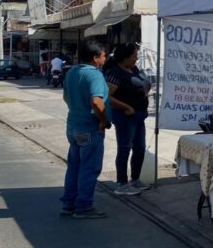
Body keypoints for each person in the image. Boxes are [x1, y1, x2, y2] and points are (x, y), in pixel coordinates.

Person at [60, 40, 110, 219]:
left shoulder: (72, 72)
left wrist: (77, 109)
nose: (105, 58)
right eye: (103, 55)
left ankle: (69, 204)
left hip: (73, 126)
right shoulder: (95, 75)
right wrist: (103, 120)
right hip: (89, 128)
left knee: (74, 167)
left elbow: (66, 97)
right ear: (96, 58)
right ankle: (84, 206)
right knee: (89, 168)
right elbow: (96, 101)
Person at [105, 43, 151, 196]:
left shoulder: (134, 69)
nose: (136, 59)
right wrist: (126, 107)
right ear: (125, 57)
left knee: (139, 148)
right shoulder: (115, 73)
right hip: (125, 117)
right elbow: (107, 96)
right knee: (124, 148)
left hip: (139, 116)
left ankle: (135, 179)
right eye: (134, 56)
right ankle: (122, 183)